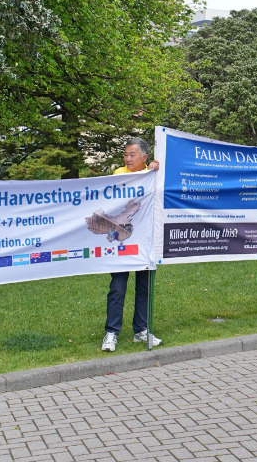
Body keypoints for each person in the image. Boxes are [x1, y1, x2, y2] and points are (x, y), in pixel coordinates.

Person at [102, 137, 162, 352]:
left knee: (144, 288)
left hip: (146, 242)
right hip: (122, 241)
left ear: (144, 157)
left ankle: (141, 330)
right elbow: (129, 185)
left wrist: (153, 172)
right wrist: (148, 173)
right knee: (117, 288)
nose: (127, 159)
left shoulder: (154, 175)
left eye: (132, 155)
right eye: (125, 154)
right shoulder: (119, 174)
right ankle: (111, 332)